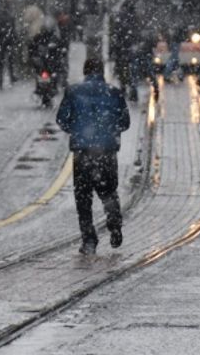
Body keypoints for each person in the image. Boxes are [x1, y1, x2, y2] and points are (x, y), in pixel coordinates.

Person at [56, 58, 131, 255]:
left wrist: (77, 131)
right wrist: (108, 131)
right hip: (106, 152)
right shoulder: (114, 92)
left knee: (83, 197)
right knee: (108, 191)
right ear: (101, 72)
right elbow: (125, 122)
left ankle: (89, 239)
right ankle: (114, 225)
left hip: (82, 153)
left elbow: (61, 119)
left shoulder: (73, 91)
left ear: (84, 71)